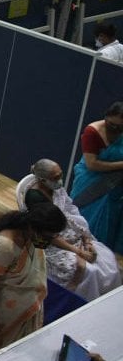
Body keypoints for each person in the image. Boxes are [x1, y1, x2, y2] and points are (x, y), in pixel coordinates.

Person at [0, 203, 67, 358]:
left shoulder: (33, 235)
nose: (48, 241)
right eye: (47, 237)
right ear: (33, 228)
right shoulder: (5, 246)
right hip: (6, 317)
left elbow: (51, 237)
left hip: (28, 311)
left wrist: (78, 251)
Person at [25, 159, 121, 300]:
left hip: (70, 233)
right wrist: (78, 252)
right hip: (50, 243)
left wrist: (86, 239)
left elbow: (72, 213)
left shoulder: (56, 189)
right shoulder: (35, 198)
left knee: (108, 260)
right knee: (89, 271)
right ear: (42, 180)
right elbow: (48, 233)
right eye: (55, 178)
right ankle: (80, 303)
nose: (60, 180)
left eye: (60, 175)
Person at [70, 101, 123, 254]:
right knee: (82, 219)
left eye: (119, 127)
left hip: (115, 188)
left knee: (106, 224)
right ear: (106, 117)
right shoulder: (92, 132)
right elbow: (92, 164)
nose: (114, 129)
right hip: (90, 182)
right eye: (111, 124)